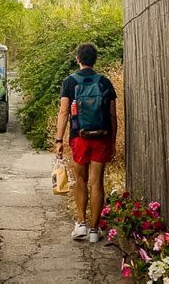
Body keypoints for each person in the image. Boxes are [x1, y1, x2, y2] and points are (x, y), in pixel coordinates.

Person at [55, 43, 117, 243]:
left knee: (80, 180)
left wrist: (59, 140)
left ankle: (81, 224)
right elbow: (113, 115)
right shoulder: (105, 82)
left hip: (79, 137)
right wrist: (113, 142)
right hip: (102, 137)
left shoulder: (70, 82)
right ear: (95, 60)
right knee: (96, 182)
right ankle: (94, 230)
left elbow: (64, 112)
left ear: (78, 59)